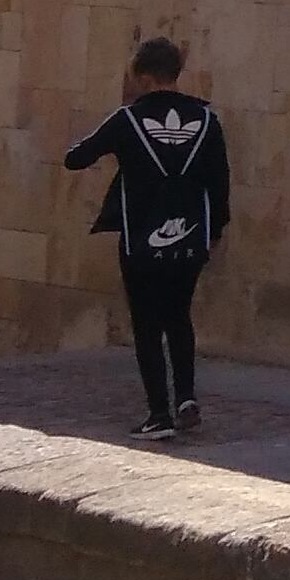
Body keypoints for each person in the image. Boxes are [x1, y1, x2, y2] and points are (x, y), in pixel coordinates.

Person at [65, 39, 231, 440]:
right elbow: (219, 183)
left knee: (146, 324)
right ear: (175, 73)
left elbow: (77, 157)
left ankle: (159, 414)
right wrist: (216, 232)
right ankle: (187, 397)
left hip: (142, 237)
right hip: (191, 235)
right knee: (178, 316)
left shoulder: (128, 119)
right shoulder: (207, 121)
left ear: (142, 76)